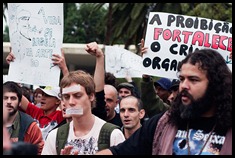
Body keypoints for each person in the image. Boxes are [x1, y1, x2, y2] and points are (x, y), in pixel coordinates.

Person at [95, 48, 232, 155]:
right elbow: (118, 152)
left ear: (216, 84)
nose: (184, 85)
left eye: (193, 80)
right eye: (182, 79)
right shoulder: (163, 123)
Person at [42, 70, 125, 155]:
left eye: (77, 96)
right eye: (66, 97)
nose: (71, 102)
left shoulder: (113, 135)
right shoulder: (55, 136)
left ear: (91, 96)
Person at [3, 81, 44, 155]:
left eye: (13, 98)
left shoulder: (30, 126)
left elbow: (40, 151)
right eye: (5, 98)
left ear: (20, 103)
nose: (8, 102)